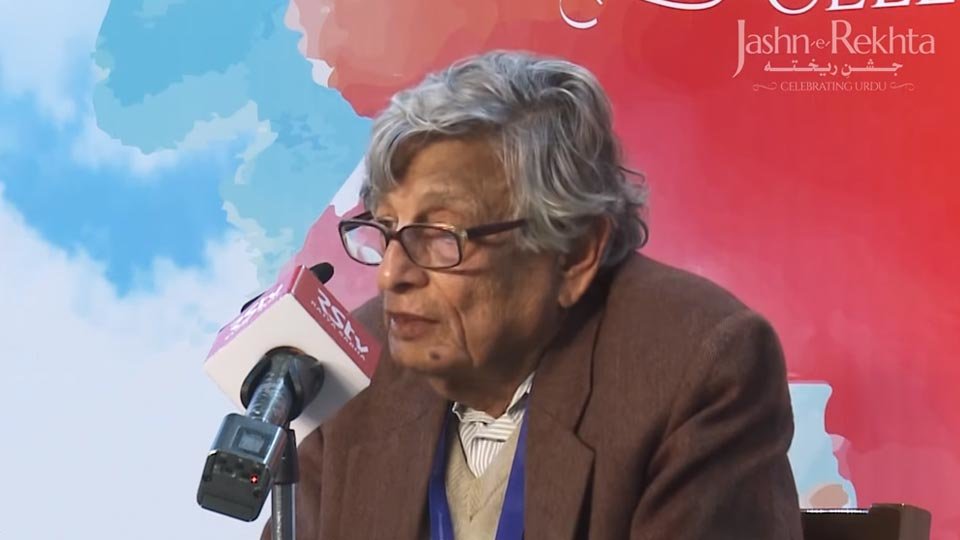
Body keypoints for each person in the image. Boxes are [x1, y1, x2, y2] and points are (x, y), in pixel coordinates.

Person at [264, 50, 802, 539]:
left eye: (440, 235)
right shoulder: (354, 364)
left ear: (574, 253)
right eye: (386, 230)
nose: (390, 277)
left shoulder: (696, 364)